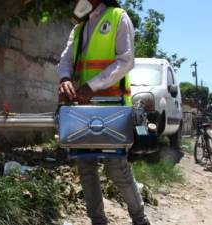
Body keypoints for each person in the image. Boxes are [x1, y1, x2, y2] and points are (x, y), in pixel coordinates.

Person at [57, 0, 150, 225]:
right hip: (82, 108)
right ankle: (98, 221)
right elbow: (65, 60)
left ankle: (140, 220)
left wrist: (91, 87)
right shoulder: (79, 26)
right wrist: (65, 78)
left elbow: (126, 60)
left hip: (112, 107)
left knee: (116, 169)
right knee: (85, 166)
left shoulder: (118, 17)